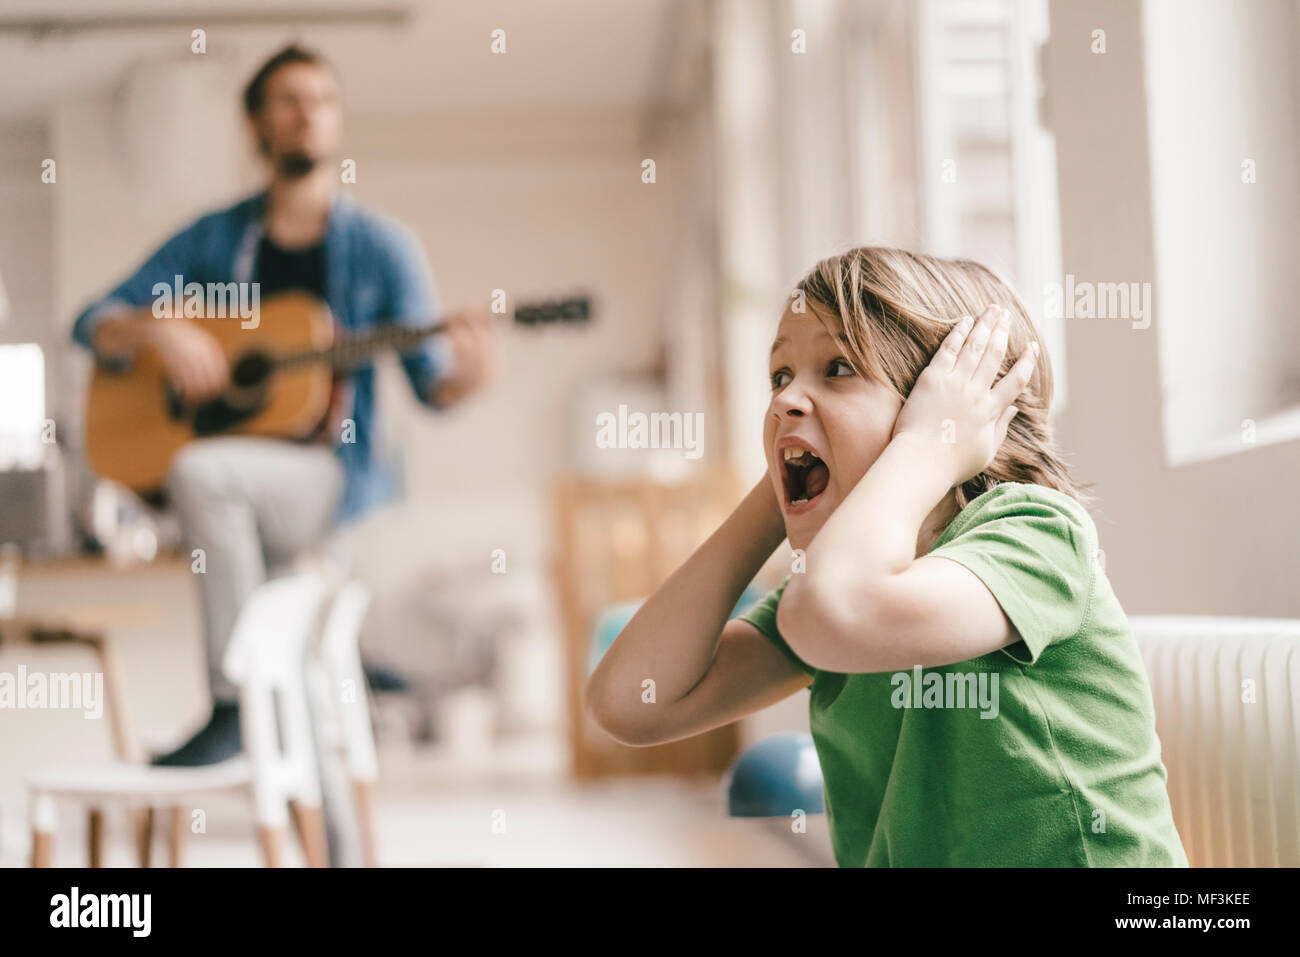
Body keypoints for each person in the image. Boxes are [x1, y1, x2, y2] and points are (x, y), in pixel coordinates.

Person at [586, 247, 1188, 867]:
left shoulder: (1032, 533)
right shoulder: (832, 599)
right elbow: (630, 702)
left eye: (838, 368)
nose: (784, 400)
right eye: (779, 377)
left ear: (955, 408)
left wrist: (929, 442)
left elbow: (834, 612)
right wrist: (780, 487)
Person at [71, 45, 493, 766]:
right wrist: (159, 328)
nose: (309, 115)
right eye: (290, 100)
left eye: (323, 100)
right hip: (244, 495)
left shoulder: (383, 248)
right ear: (255, 124)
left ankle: (235, 702)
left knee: (204, 474)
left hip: (329, 479)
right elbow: (92, 318)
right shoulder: (215, 237)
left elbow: (434, 386)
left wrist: (470, 374)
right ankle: (288, 769)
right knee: (298, 693)